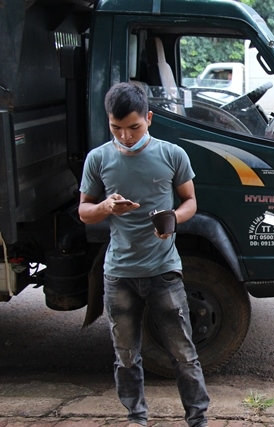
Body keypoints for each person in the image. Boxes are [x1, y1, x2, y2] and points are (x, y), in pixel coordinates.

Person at [78, 82, 211, 427]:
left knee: (183, 353)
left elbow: (190, 202)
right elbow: (84, 212)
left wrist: (173, 220)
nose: (125, 136)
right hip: (119, 273)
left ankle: (198, 419)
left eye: (133, 127)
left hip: (163, 270)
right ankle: (136, 418)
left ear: (149, 118)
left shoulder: (172, 155)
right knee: (125, 356)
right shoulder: (98, 159)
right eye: (116, 128)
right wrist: (106, 206)